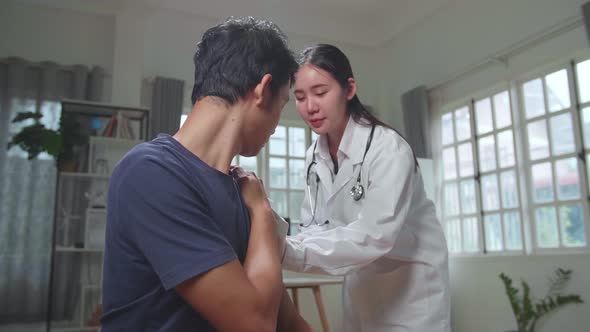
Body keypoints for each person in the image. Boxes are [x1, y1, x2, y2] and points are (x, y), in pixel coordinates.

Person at [101, 17, 312, 332]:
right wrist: (262, 211)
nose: (276, 123)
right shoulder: (149, 172)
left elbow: (287, 321)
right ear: (263, 89)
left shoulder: (239, 190)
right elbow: (255, 324)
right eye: (282, 105)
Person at [283, 44, 451, 332]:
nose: (310, 106)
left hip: (413, 296)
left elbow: (376, 236)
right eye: (299, 97)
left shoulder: (388, 149)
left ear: (349, 89)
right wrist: (282, 243)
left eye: (320, 93)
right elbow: (314, 226)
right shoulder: (314, 156)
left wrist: (285, 253)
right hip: (362, 290)